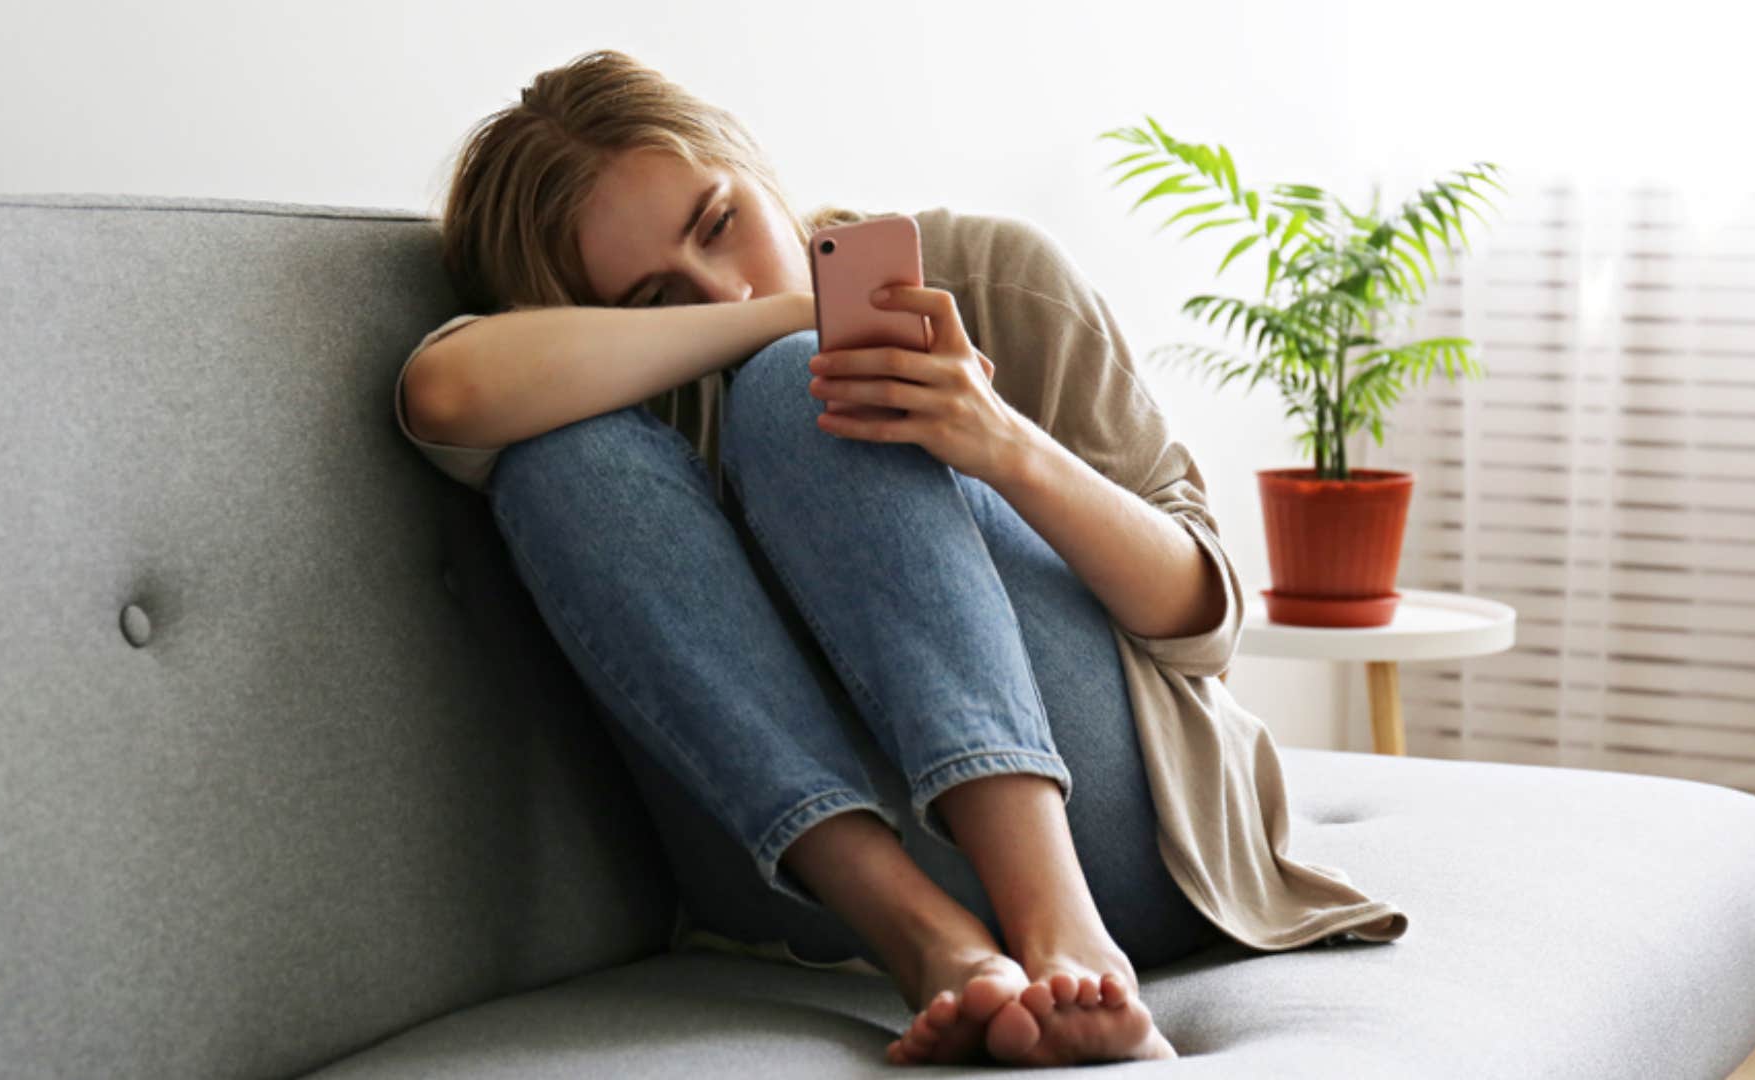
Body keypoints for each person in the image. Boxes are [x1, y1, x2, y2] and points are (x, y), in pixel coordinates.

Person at [394, 48, 1408, 1069]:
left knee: (804, 387)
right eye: (654, 298)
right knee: (563, 457)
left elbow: (1206, 622)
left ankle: (1060, 929)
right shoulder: (613, 384)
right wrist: (786, 315)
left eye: (719, 222)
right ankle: (938, 949)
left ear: (749, 162)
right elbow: (443, 394)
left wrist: (1000, 443)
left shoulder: (993, 271)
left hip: (1120, 848)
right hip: (816, 894)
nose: (721, 282)